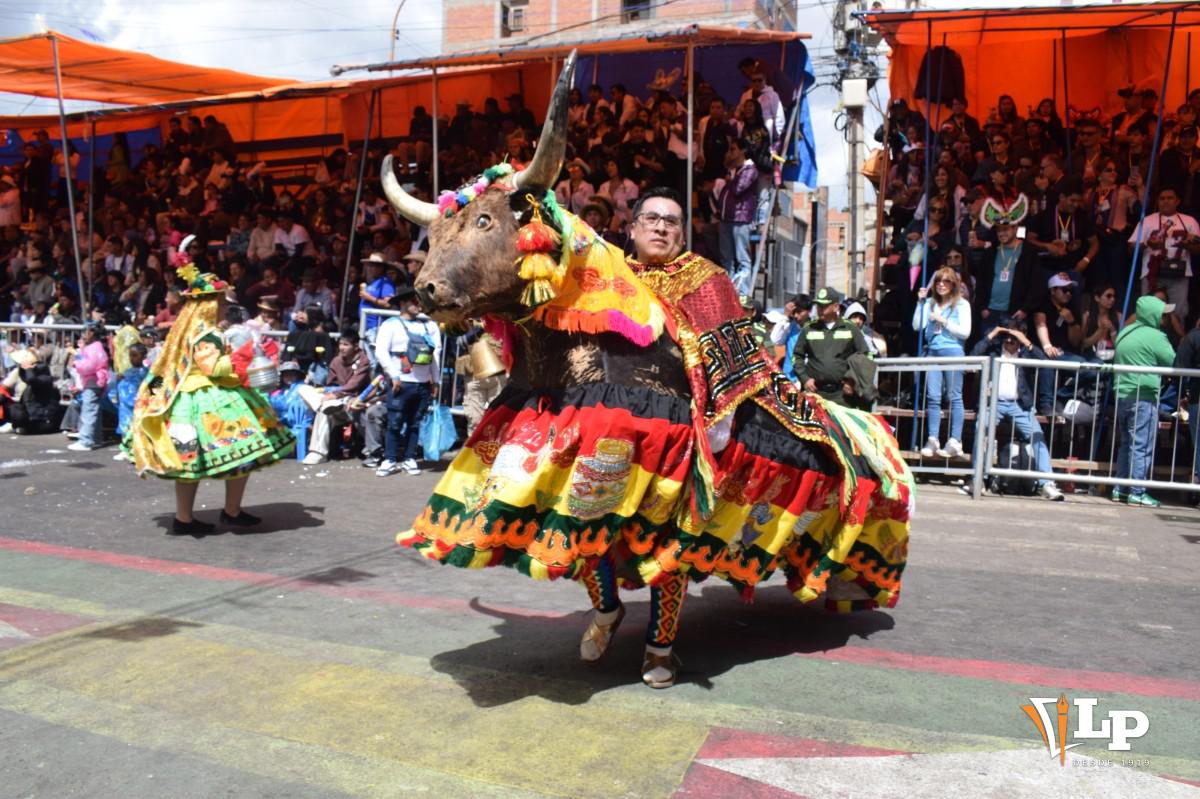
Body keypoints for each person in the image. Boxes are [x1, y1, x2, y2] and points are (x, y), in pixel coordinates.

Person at [122, 259, 295, 535]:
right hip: (209, 399)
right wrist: (242, 358)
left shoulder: (184, 332)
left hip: (185, 399)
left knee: (191, 461)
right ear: (210, 306)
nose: (225, 309)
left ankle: (186, 517)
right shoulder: (209, 334)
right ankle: (229, 511)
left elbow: (169, 368)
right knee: (238, 452)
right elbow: (212, 368)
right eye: (222, 304)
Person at [970, 323, 1064, 500]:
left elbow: (1045, 364)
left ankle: (1046, 483)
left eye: (1014, 338)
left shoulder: (1026, 353)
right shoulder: (993, 351)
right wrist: (994, 333)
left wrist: (1026, 342)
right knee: (980, 431)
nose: (1009, 341)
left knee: (1037, 436)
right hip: (994, 403)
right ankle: (978, 479)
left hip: (1019, 404)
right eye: (1006, 337)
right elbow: (973, 355)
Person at [1112, 295, 1176, 507]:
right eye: (1163, 314)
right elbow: (1173, 361)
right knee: (1141, 445)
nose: (1165, 318)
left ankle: (1120, 489)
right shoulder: (1156, 336)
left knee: (1126, 445)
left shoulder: (1125, 332)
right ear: (1153, 314)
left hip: (1122, 395)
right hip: (1144, 396)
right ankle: (1137, 491)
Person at [374, 285, 441, 477]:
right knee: (394, 422)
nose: (418, 304)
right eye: (414, 301)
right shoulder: (390, 325)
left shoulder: (430, 326)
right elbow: (381, 352)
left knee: (415, 422)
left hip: (422, 384)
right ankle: (390, 459)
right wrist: (393, 375)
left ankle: (410, 458)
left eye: (419, 300)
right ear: (402, 303)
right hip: (401, 382)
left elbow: (436, 355)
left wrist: (435, 381)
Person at [913, 267, 971, 458]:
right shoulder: (930, 303)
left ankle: (955, 440)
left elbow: (965, 332)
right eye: (938, 281)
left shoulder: (962, 305)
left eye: (946, 281)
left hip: (953, 352)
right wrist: (920, 303)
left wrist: (944, 322)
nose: (941, 285)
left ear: (953, 284)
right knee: (933, 396)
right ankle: (933, 438)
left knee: (954, 396)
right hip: (933, 352)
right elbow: (917, 325)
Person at [1128, 186, 1200, 331]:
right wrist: (1148, 243)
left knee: (1178, 313)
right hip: (1152, 273)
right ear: (1157, 201)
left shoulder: (1189, 221)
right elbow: (1130, 249)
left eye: (1170, 198)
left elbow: (1198, 249)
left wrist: (1186, 245)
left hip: (1179, 274)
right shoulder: (1147, 220)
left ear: (1177, 201)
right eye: (1162, 198)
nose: (1165, 202)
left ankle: (1176, 348)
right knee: (1149, 312)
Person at [299, 329, 372, 465]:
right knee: (304, 389)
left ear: (356, 346)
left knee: (324, 409)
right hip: (336, 401)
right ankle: (318, 453)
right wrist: (329, 395)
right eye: (340, 344)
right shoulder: (336, 361)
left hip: (354, 402)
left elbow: (353, 385)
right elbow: (330, 385)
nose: (342, 348)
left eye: (346, 345)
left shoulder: (363, 361)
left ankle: (318, 453)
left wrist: (335, 394)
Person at [793, 286, 872, 407]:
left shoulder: (850, 328)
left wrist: (853, 381)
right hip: (815, 393)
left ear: (835, 307)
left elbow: (866, 356)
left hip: (842, 396)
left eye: (824, 306)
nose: (820, 310)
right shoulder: (808, 329)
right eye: (818, 306)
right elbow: (796, 356)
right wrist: (805, 379)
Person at [716, 137, 759, 297]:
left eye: (733, 149)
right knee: (726, 258)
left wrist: (730, 178)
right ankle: (728, 291)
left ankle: (742, 293)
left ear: (743, 151)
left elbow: (738, 188)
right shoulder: (735, 170)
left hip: (741, 219)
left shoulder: (750, 169)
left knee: (742, 258)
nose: (730, 152)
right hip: (726, 218)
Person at [67, 322, 110, 452]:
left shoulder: (94, 348)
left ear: (92, 333)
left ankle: (86, 440)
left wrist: (77, 364)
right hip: (94, 381)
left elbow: (90, 365)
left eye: (86, 332)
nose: (84, 335)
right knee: (93, 410)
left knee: (89, 410)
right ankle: (95, 438)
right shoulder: (95, 347)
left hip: (92, 381)